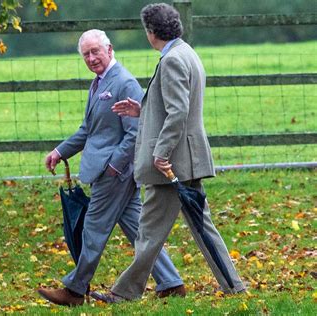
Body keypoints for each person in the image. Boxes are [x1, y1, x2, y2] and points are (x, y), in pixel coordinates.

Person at [94, 3, 246, 303]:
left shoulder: (172, 60)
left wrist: (161, 154)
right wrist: (143, 110)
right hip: (188, 160)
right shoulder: (187, 53)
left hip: (171, 165)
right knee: (198, 227)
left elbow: (178, 113)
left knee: (149, 232)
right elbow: (176, 108)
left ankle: (124, 293)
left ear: (151, 33)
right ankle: (234, 286)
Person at [37, 29, 185, 306]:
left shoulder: (124, 82)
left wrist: (114, 167)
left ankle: (75, 289)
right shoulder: (98, 83)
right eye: (86, 54)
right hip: (112, 173)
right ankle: (171, 282)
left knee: (93, 228)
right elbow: (88, 130)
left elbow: (135, 132)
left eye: (95, 51)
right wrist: (59, 151)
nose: (91, 58)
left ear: (110, 49)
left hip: (115, 174)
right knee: (139, 231)